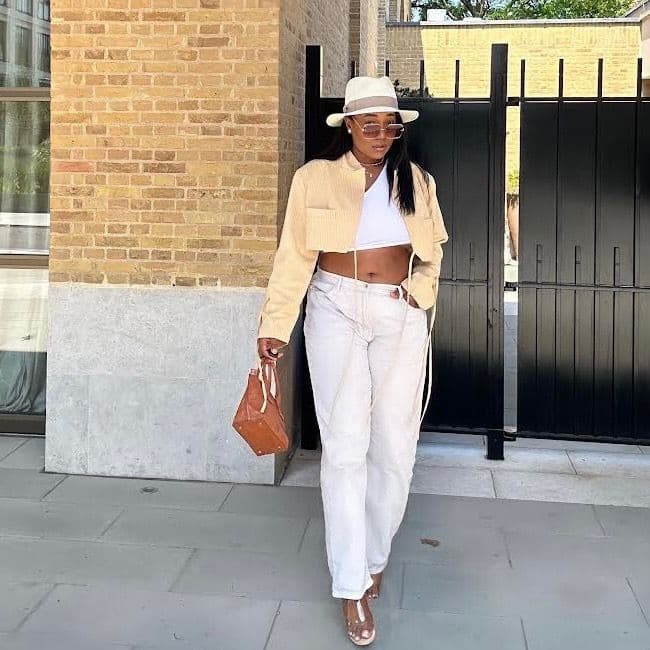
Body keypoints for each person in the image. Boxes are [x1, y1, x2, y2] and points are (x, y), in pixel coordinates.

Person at [257, 76, 448, 646]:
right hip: (335, 306)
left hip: (398, 311)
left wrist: (419, 293)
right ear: (349, 127)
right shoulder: (314, 178)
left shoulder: (417, 181)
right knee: (344, 448)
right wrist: (274, 325)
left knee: (394, 446)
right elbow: (294, 255)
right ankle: (350, 584)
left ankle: (374, 555)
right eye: (371, 126)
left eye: (391, 126)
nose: (382, 135)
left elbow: (433, 255)